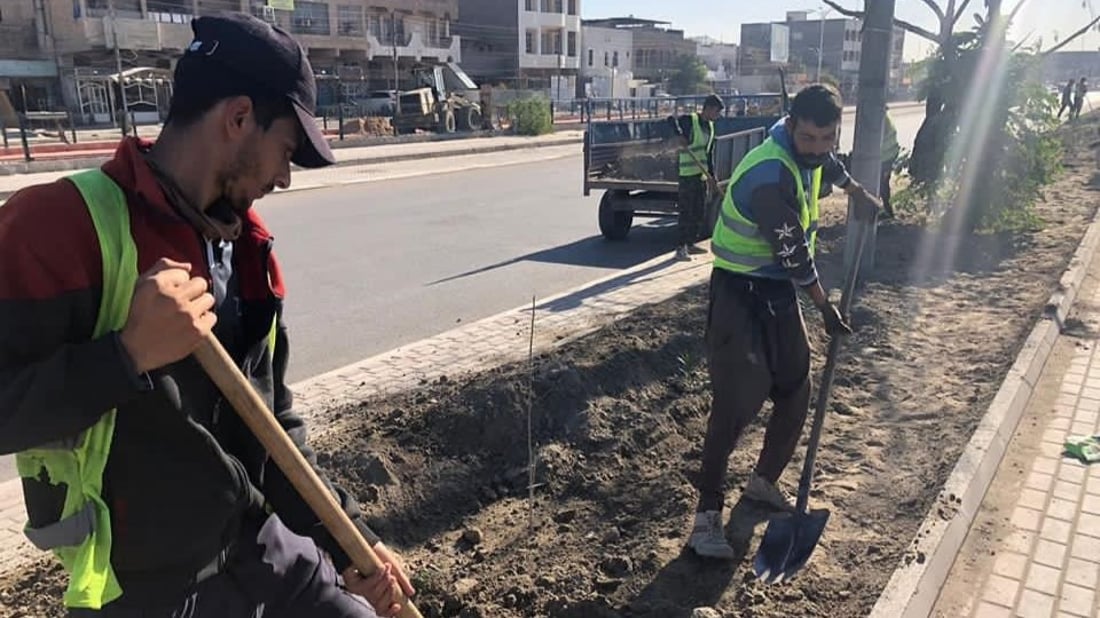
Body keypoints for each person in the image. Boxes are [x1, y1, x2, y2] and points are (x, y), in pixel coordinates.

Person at [0, 13, 414, 617]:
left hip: (263, 548)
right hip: (147, 589)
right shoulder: (58, 228)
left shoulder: (246, 245)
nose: (284, 176)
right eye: (286, 150)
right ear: (239, 118)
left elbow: (271, 421)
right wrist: (126, 356)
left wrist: (352, 541)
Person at [687, 85, 881, 560]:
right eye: (809, 138)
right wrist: (825, 308)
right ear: (791, 126)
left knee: (797, 384)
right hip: (737, 290)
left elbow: (828, 168)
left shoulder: (811, 155)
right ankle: (705, 517)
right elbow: (793, 252)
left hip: (772, 288)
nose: (816, 148)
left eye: (826, 138)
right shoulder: (771, 175)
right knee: (738, 400)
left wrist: (857, 192)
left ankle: (761, 482)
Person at [668, 94, 724, 261]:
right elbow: (670, 120)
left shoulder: (711, 127)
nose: (718, 115)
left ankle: (690, 243)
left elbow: (708, 154)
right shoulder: (690, 120)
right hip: (686, 175)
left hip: (700, 175)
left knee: (699, 211)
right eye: (717, 111)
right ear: (709, 108)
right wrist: (680, 135)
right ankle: (680, 248)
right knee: (686, 211)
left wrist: (712, 177)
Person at [880, 110, 900, 218]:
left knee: (881, 186)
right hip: (888, 155)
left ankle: (887, 211)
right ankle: (886, 211)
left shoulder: (880, 118)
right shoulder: (885, 115)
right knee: (882, 186)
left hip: (885, 157)